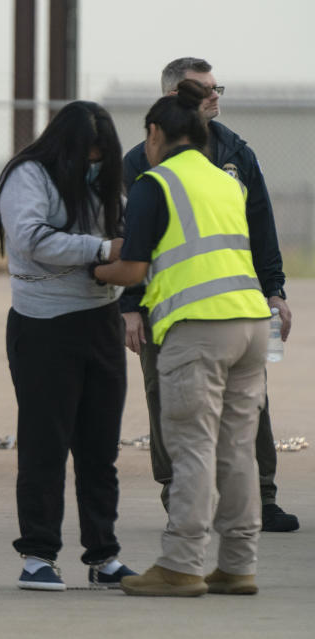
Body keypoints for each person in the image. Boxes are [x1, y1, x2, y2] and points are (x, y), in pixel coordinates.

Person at [95, 80, 272, 596]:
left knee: (191, 448)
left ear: (155, 133)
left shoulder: (156, 183)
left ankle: (181, 565)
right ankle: (238, 565)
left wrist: (95, 272)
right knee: (237, 449)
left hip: (198, 331)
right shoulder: (225, 181)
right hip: (250, 325)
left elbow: (132, 269)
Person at [121, 57, 298, 533]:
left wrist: (275, 290)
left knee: (246, 408)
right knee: (169, 406)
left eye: (217, 86)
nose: (214, 95)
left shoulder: (235, 155)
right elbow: (131, 238)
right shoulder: (140, 165)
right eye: (202, 89)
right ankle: (177, 496)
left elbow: (260, 226)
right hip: (167, 309)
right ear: (173, 99)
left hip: (234, 308)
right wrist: (130, 307)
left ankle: (260, 498)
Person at [0, 101, 136, 591]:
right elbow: (31, 237)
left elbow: (125, 237)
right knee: (44, 447)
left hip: (101, 321)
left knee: (99, 449)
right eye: (89, 154)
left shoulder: (105, 180)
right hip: (43, 327)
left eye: (103, 155)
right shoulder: (28, 176)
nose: (95, 162)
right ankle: (38, 555)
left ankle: (104, 555)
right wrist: (99, 250)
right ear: (67, 147)